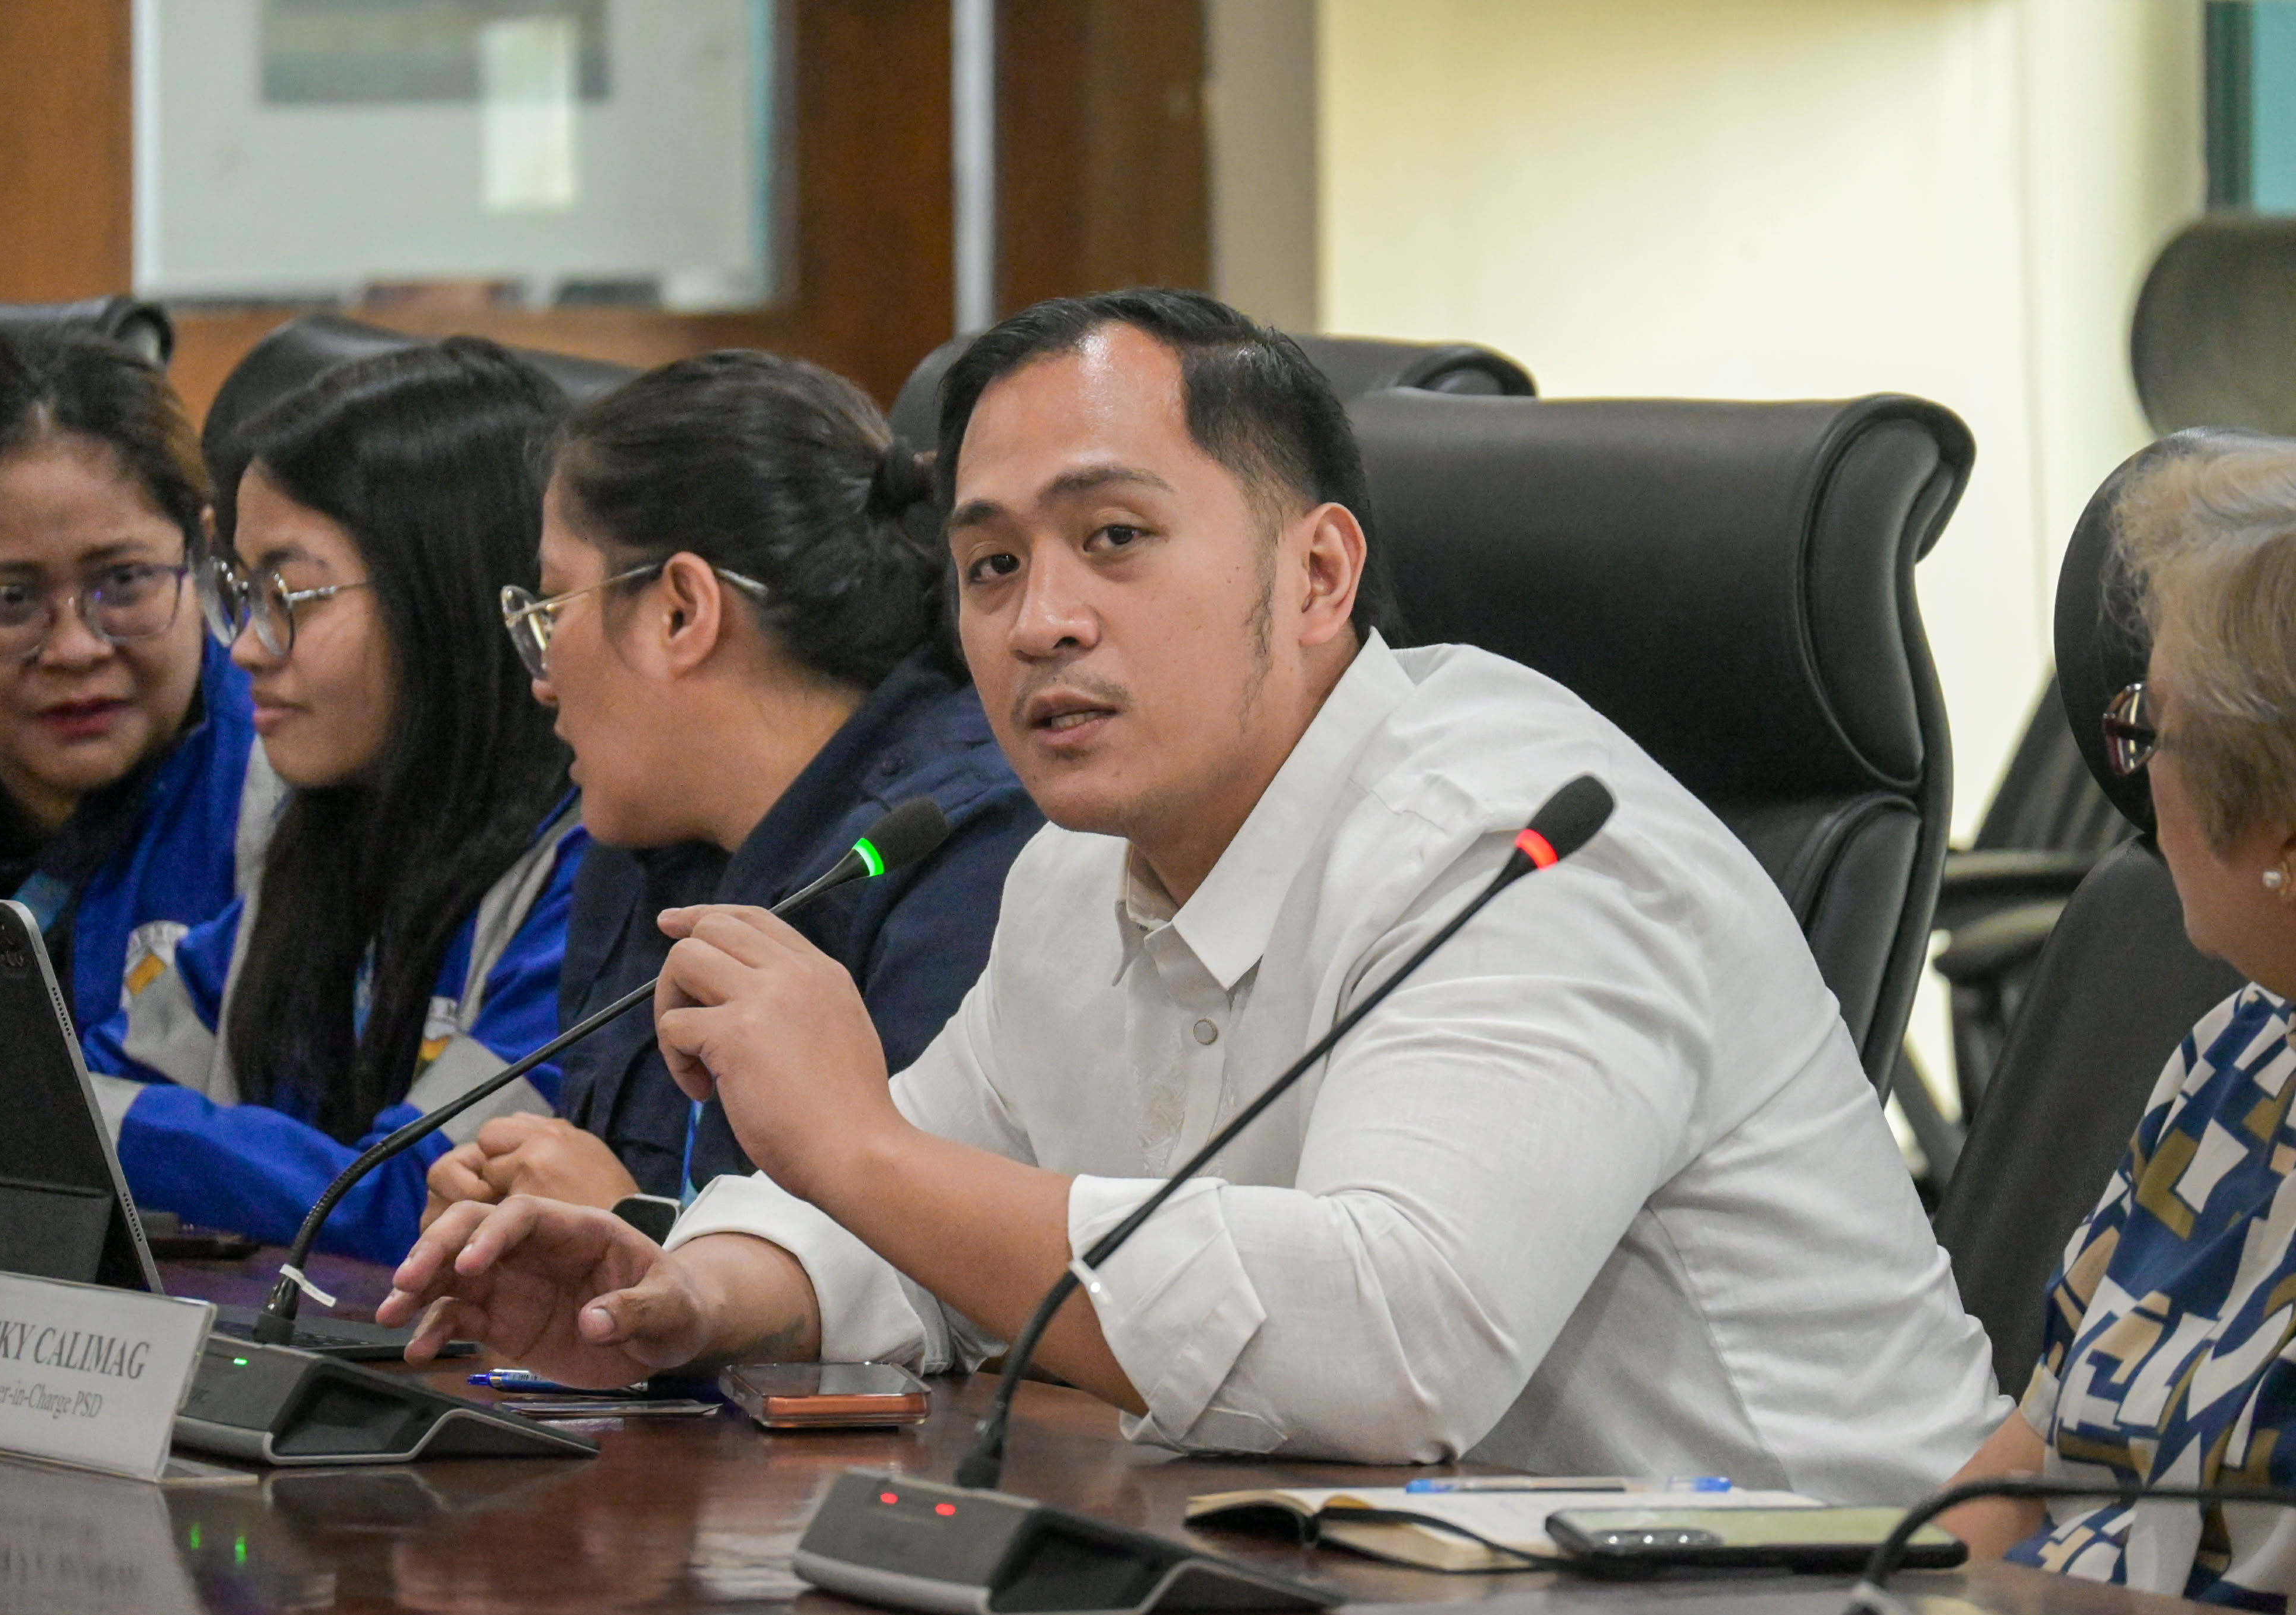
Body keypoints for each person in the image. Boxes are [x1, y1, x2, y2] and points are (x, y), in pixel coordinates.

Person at [384, 289, 2004, 1497]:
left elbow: (1398, 1345)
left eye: (1115, 538)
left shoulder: (1516, 842)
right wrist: (685, 1292)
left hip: (1830, 1582)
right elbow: (929, 1220)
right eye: (994, 564)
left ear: (1317, 577)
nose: (1040, 621)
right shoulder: (1071, 875)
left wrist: (859, 1148)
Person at [419, 351, 1039, 1233]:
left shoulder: (962, 860)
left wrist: (638, 1234)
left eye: (552, 610)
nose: (542, 680)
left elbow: (944, 1272)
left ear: (682, 610)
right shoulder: (644, 845)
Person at [84, 338, 585, 1263]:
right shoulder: (326, 833)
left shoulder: (590, 875)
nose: (245, 646)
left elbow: (428, 1195)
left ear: (444, 597)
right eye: (241, 591)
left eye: (289, 593)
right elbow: (100, 1074)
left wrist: (107, 1124)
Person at [1943, 434, 2296, 1601]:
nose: (2134, 779)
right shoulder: (2234, 1051)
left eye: (2148, 730)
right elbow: (2030, 1452)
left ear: (2278, 833)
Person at [0, 331, 271, 1048]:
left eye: (124, 580)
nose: (74, 649)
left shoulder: (289, 794)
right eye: (9, 598)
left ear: (200, 556)